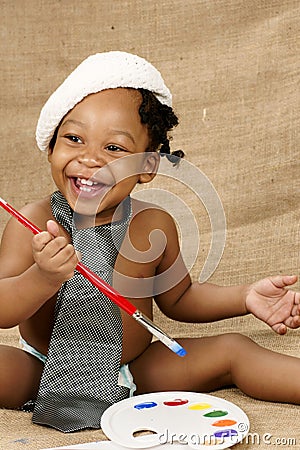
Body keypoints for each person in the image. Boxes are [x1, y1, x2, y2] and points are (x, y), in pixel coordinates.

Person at [0, 51, 299, 427]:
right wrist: (41, 278)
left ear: (147, 166)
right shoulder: (33, 223)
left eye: (114, 148)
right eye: (74, 139)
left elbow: (180, 298)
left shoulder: (153, 224)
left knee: (234, 350)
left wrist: (245, 297)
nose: (91, 159)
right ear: (51, 147)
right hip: (40, 371)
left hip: (134, 372)